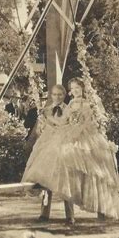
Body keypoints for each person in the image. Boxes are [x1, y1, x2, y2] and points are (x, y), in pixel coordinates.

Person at [22, 78, 119, 221]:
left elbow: (88, 122)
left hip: (85, 137)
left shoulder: (89, 103)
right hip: (70, 134)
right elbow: (63, 121)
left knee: (95, 172)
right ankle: (52, 211)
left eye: (77, 88)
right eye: (72, 89)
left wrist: (74, 131)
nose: (74, 91)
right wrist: (49, 118)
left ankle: (102, 209)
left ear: (82, 88)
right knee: (58, 162)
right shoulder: (72, 104)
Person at [32, 85, 74, 223]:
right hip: (49, 147)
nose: (57, 97)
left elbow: (73, 129)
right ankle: (44, 213)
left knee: (66, 181)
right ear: (51, 95)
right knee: (46, 179)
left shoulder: (69, 110)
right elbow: (40, 130)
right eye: (55, 94)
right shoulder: (46, 110)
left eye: (60, 95)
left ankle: (70, 215)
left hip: (63, 147)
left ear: (64, 95)